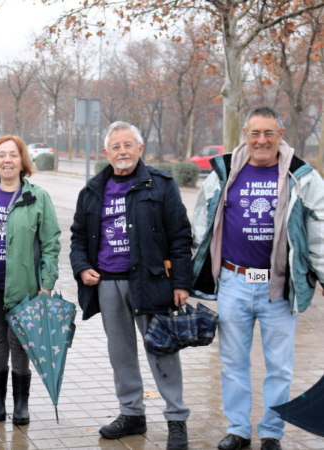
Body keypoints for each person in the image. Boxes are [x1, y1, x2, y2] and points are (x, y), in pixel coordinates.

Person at [191, 106, 324, 450]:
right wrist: (199, 268)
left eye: (268, 133)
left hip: (278, 287)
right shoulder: (223, 172)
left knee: (279, 366)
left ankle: (271, 433)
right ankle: (237, 429)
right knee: (233, 363)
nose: (261, 140)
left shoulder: (302, 176)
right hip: (233, 283)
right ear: (245, 135)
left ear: (281, 136)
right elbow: (202, 222)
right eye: (255, 133)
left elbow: (319, 233)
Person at [70, 121, 193, 450]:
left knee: (162, 349)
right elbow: (79, 238)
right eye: (116, 146)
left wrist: (181, 282)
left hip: (151, 282)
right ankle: (132, 414)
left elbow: (180, 235)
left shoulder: (161, 185)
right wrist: (82, 268)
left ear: (141, 149)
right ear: (105, 152)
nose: (122, 151)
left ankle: (177, 418)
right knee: (120, 352)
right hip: (108, 284)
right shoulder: (92, 190)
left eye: (128, 145)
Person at [0, 135, 61, 425]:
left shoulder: (37, 197)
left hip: (26, 286)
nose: (7, 160)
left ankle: (21, 404)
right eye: (1, 155)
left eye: (13, 155)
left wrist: (47, 284)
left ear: (22, 161)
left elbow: (51, 243)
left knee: (19, 341)